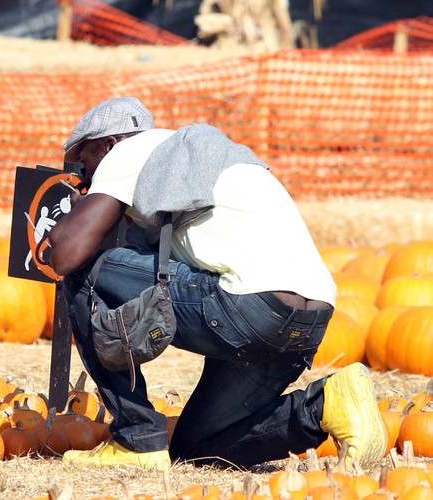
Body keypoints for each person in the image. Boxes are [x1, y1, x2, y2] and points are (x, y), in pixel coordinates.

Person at [48, 96, 387, 470]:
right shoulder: (192, 157)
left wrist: (77, 215)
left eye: (85, 162)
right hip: (309, 320)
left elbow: (66, 254)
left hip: (248, 306)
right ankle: (324, 405)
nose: (85, 175)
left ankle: (137, 437)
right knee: (197, 448)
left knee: (84, 272)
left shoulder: (131, 152)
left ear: (107, 144)